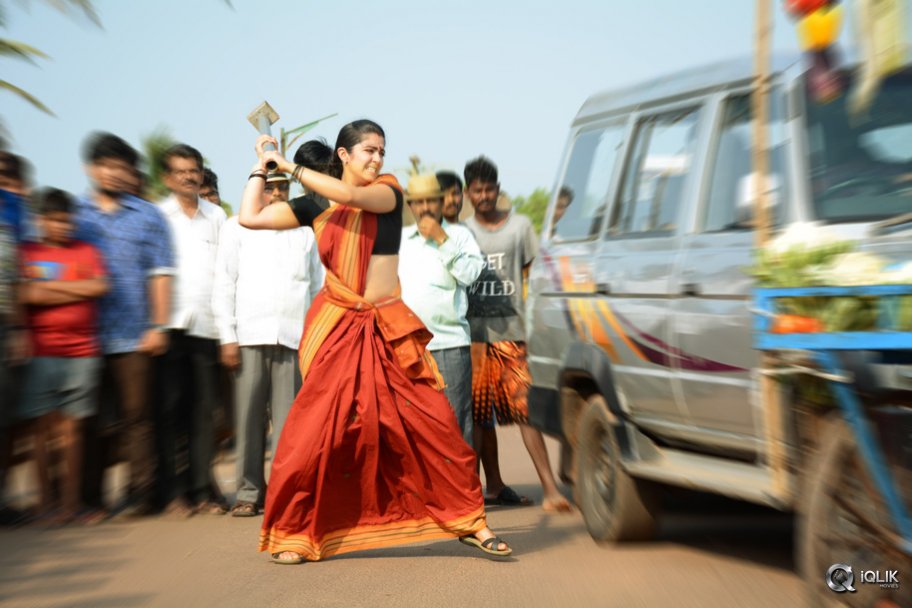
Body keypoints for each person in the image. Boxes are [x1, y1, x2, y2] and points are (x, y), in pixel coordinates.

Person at [239, 119, 511, 564]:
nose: (378, 159)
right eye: (368, 150)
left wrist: (286, 165)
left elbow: (350, 195)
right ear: (344, 156)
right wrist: (260, 167)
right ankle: (295, 533)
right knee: (311, 436)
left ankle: (470, 522)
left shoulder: (386, 192)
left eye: (382, 150)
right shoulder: (313, 208)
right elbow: (250, 217)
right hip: (337, 331)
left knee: (436, 426)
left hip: (388, 329)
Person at [463, 155, 572, 513]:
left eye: (489, 189)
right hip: (475, 338)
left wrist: (539, 324)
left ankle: (551, 488)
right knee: (479, 419)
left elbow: (535, 277)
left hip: (513, 334)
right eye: (477, 190)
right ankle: (483, 490)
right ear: (468, 193)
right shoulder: (462, 232)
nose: (484, 196)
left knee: (526, 412)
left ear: (498, 188)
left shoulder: (521, 226)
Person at [74, 132, 174, 519]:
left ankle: (140, 495)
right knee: (91, 419)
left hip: (136, 332)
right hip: (87, 334)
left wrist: (158, 325)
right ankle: (89, 499)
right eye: (106, 166)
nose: (114, 174)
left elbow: (161, 273)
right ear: (91, 169)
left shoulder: (148, 215)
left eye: (121, 167)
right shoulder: (76, 214)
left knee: (138, 418)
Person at [212, 170, 323, 518]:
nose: (276, 193)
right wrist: (227, 336)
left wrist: (315, 337)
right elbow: (224, 284)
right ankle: (248, 492)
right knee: (247, 419)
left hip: (293, 337)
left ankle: (283, 493)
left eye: (282, 187)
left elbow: (318, 287)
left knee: (290, 424)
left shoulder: (305, 230)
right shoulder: (236, 226)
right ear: (255, 188)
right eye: (269, 187)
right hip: (249, 334)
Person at [18, 188, 108, 524]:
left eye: (65, 219)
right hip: (40, 351)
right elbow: (25, 293)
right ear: (40, 219)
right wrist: (76, 288)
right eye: (54, 219)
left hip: (83, 352)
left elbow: (99, 287)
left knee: (73, 432)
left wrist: (48, 291)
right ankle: (44, 505)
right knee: (40, 433)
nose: (61, 225)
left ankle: (70, 505)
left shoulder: (86, 250)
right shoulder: (27, 251)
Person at [156, 144, 227, 517]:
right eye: (181, 171)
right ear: (168, 178)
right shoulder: (158, 216)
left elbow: (225, 272)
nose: (188, 176)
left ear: (201, 174)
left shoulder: (217, 216)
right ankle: (175, 493)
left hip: (207, 326)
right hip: (168, 326)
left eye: (194, 170)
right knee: (170, 411)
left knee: (203, 412)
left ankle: (203, 491)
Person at [399, 173, 483, 446]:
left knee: (455, 426)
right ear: (411, 206)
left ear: (440, 202)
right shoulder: (401, 241)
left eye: (430, 201)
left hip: (449, 345)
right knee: (415, 429)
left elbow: (470, 275)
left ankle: (462, 490)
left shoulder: (459, 235)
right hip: (410, 349)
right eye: (418, 202)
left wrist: (442, 239)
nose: (425, 208)